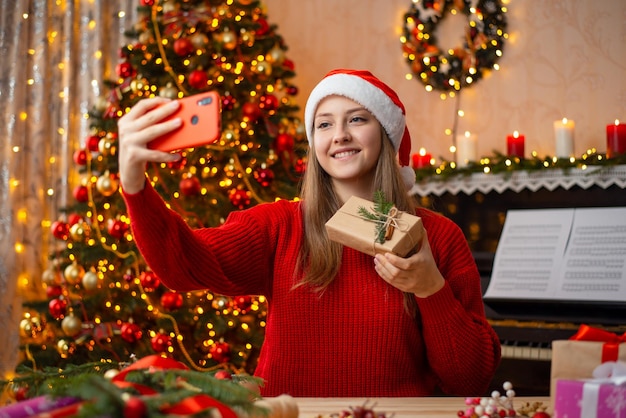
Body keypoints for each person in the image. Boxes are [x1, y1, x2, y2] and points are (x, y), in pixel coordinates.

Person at [118, 68, 501, 397]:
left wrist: (431, 289)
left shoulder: (439, 236)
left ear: (386, 134)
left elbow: (470, 379)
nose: (339, 135)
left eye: (356, 119)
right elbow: (184, 265)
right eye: (324, 124)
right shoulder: (278, 226)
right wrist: (134, 186)